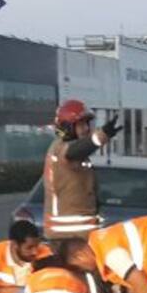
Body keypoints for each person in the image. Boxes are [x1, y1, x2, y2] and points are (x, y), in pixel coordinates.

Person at [43, 100, 121, 239]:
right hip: (67, 237)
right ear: (68, 127)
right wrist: (103, 135)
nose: (86, 128)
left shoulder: (77, 156)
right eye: (81, 124)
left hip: (77, 235)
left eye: (87, 123)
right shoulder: (60, 149)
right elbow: (76, 150)